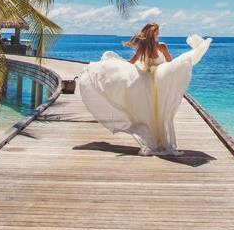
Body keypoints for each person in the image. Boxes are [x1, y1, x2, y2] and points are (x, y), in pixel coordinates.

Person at [77, 23, 212, 156]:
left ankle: (157, 140)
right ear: (153, 33)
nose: (157, 34)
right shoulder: (154, 46)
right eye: (156, 32)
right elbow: (162, 62)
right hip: (154, 79)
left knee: (154, 111)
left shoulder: (153, 46)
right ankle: (157, 140)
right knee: (154, 111)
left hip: (152, 78)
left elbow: (146, 61)